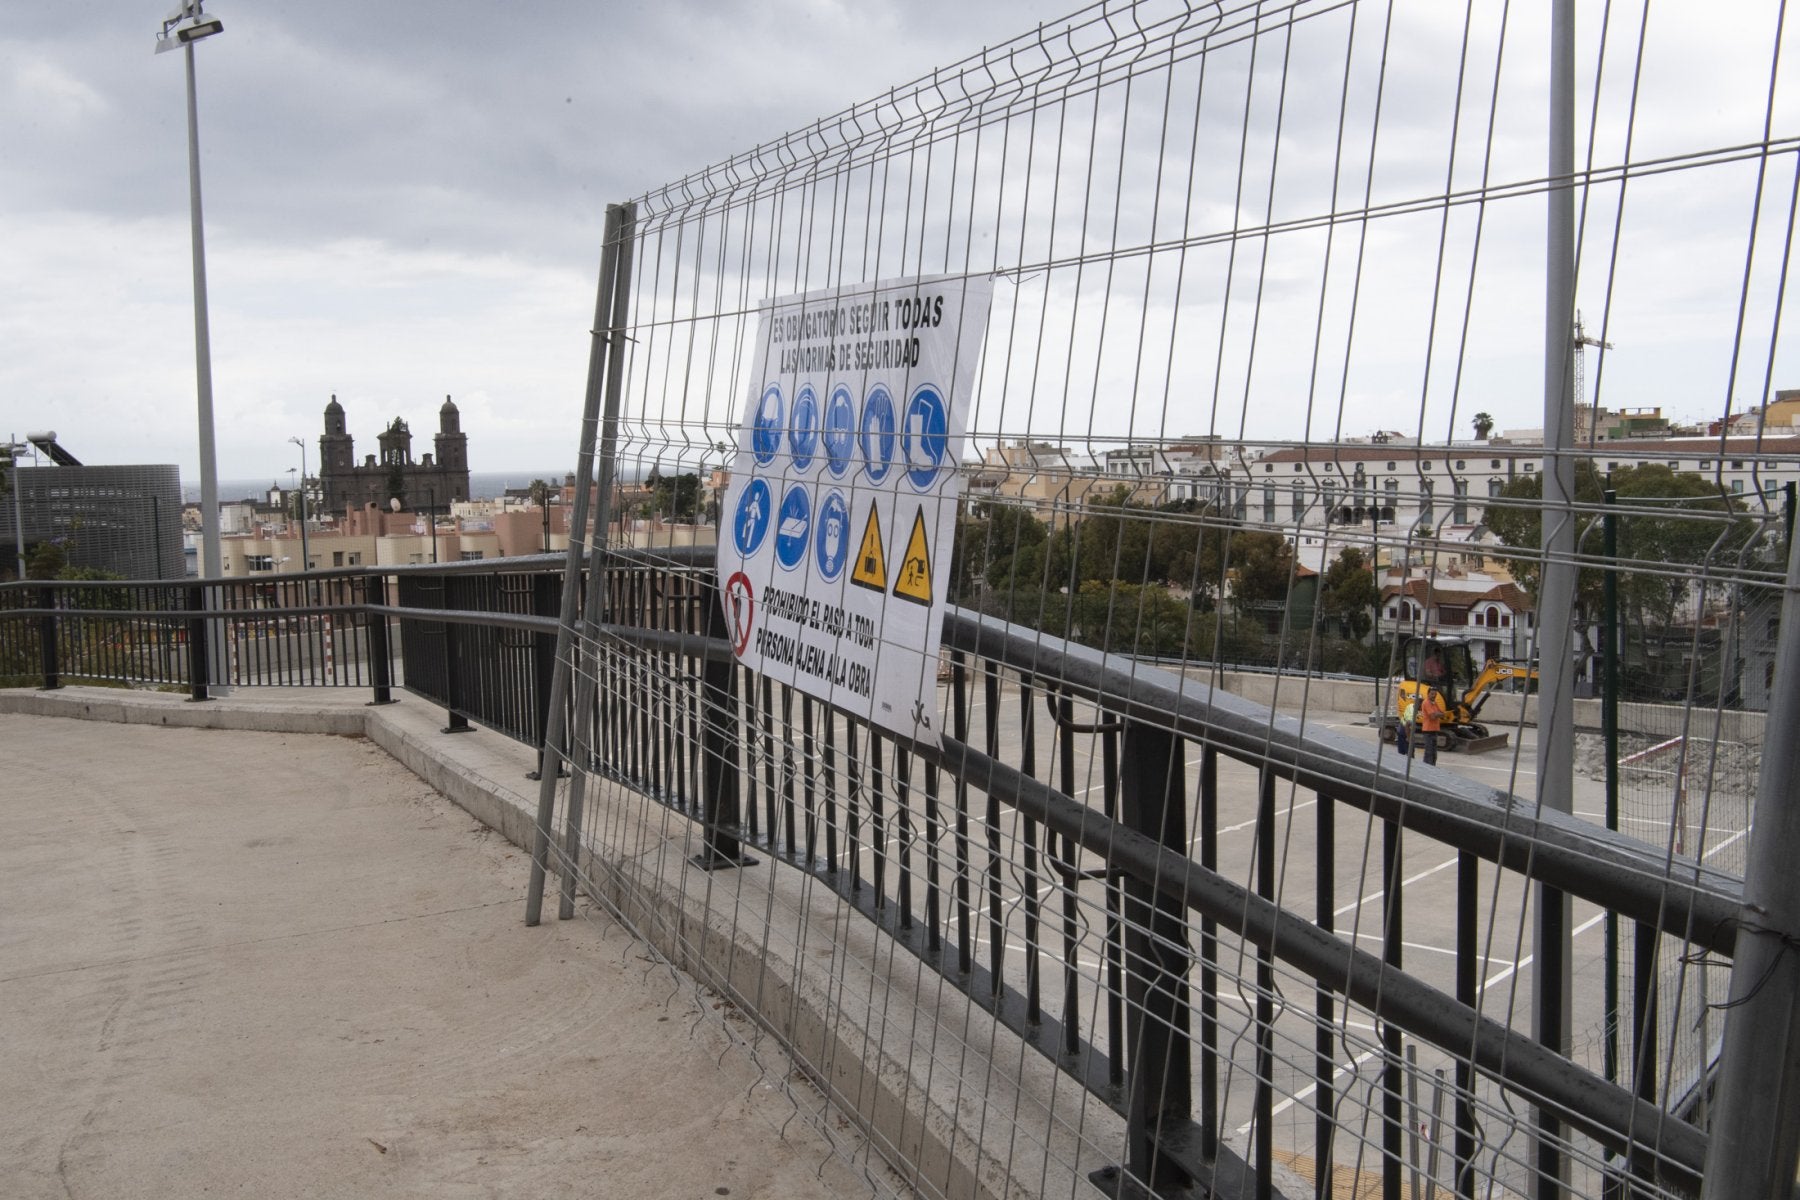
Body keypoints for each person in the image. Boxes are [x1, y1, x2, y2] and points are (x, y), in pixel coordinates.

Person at [1417, 687, 1446, 765]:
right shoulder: (1426, 703)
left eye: (1435, 694)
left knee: (1433, 753)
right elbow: (1432, 716)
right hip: (1428, 731)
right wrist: (1437, 714)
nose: (1434, 696)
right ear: (1428, 694)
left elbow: (1442, 714)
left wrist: (1437, 714)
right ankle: (1427, 768)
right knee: (1429, 752)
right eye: (1432, 694)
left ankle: (1432, 767)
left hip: (1434, 730)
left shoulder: (1434, 703)